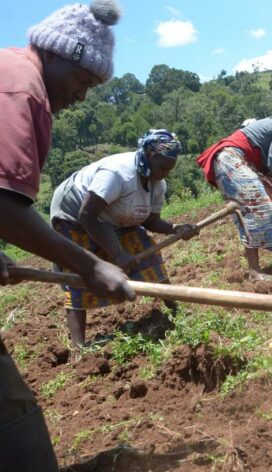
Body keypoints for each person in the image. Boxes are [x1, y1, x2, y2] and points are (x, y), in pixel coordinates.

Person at [0, 0, 134, 472]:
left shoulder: (3, 72)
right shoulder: (19, 87)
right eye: (82, 80)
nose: (82, 95)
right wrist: (89, 264)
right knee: (4, 409)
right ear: (53, 53)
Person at [50, 129, 198, 348]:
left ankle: (176, 313)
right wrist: (117, 254)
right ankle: (79, 347)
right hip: (74, 216)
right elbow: (88, 215)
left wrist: (176, 229)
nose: (165, 174)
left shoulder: (158, 184)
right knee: (81, 274)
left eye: (169, 169)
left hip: (113, 217)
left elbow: (149, 221)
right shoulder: (117, 174)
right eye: (162, 167)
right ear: (149, 154)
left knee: (149, 256)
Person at [197, 98, 272, 281]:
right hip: (231, 161)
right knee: (256, 210)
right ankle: (255, 272)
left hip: (229, 161)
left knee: (262, 211)